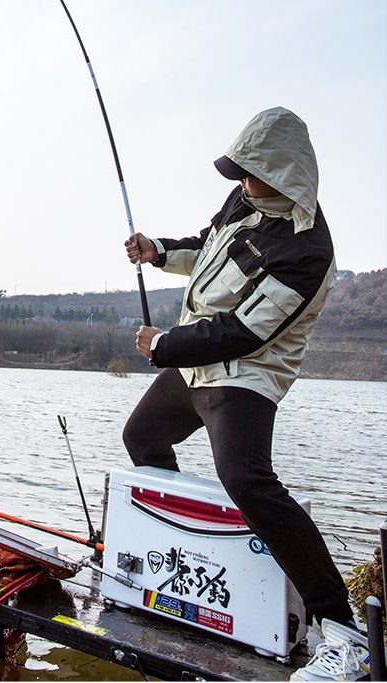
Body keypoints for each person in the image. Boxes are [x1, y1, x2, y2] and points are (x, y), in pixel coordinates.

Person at [122, 107, 371, 683]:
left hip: (245, 374)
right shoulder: (245, 200)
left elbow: (244, 332)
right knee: (143, 435)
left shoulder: (308, 250)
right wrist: (157, 250)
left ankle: (343, 631)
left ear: (282, 174)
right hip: (197, 364)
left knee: (247, 478)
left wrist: (164, 345)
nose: (239, 182)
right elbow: (207, 250)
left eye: (249, 172)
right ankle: (183, 558)